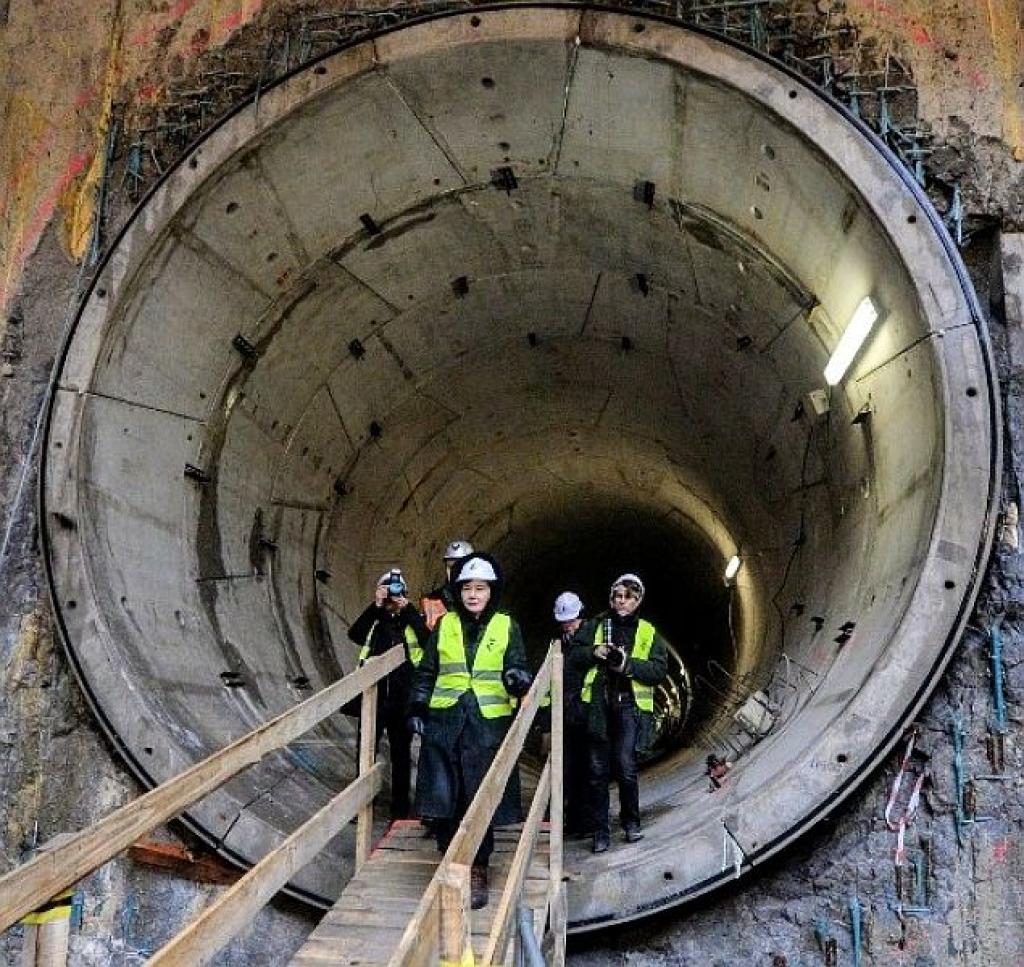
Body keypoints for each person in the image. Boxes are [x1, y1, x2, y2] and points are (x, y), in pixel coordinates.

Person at [407, 553, 533, 909]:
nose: (473, 595)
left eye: (480, 588)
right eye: (467, 589)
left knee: (480, 798)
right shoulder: (445, 625)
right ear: (458, 592)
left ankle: (478, 868)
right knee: (446, 797)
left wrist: (517, 678)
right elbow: (428, 671)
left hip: (486, 726)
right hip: (445, 724)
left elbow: (517, 665)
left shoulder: (507, 626)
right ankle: (451, 865)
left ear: (491, 591)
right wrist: (416, 708)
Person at [568, 573, 668, 853]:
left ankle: (631, 824)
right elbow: (572, 655)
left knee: (626, 768)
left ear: (638, 601)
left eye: (629, 597)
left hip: (628, 706)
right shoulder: (596, 626)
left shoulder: (648, 632)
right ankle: (600, 832)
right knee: (597, 772)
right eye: (618, 596)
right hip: (598, 708)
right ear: (611, 599)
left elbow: (659, 671)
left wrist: (627, 666)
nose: (623, 602)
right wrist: (594, 651)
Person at [347, 568, 429, 820]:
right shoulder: (375, 620)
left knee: (401, 754)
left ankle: (401, 809)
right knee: (365, 752)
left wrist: (409, 610)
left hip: (403, 700)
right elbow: (355, 634)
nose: (393, 596)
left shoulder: (411, 620)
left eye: (397, 591)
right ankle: (360, 804)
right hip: (375, 698)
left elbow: (429, 642)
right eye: (388, 590)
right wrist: (376, 605)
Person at [552, 591, 590, 836]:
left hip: (587, 715)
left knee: (589, 771)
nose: (568, 625)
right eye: (564, 622)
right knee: (570, 770)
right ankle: (574, 821)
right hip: (567, 716)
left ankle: (588, 822)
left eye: (571, 621)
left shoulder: (590, 640)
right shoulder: (559, 644)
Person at [420, 538, 475, 631]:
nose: (454, 572)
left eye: (459, 567)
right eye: (450, 567)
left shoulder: (484, 598)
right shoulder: (433, 600)